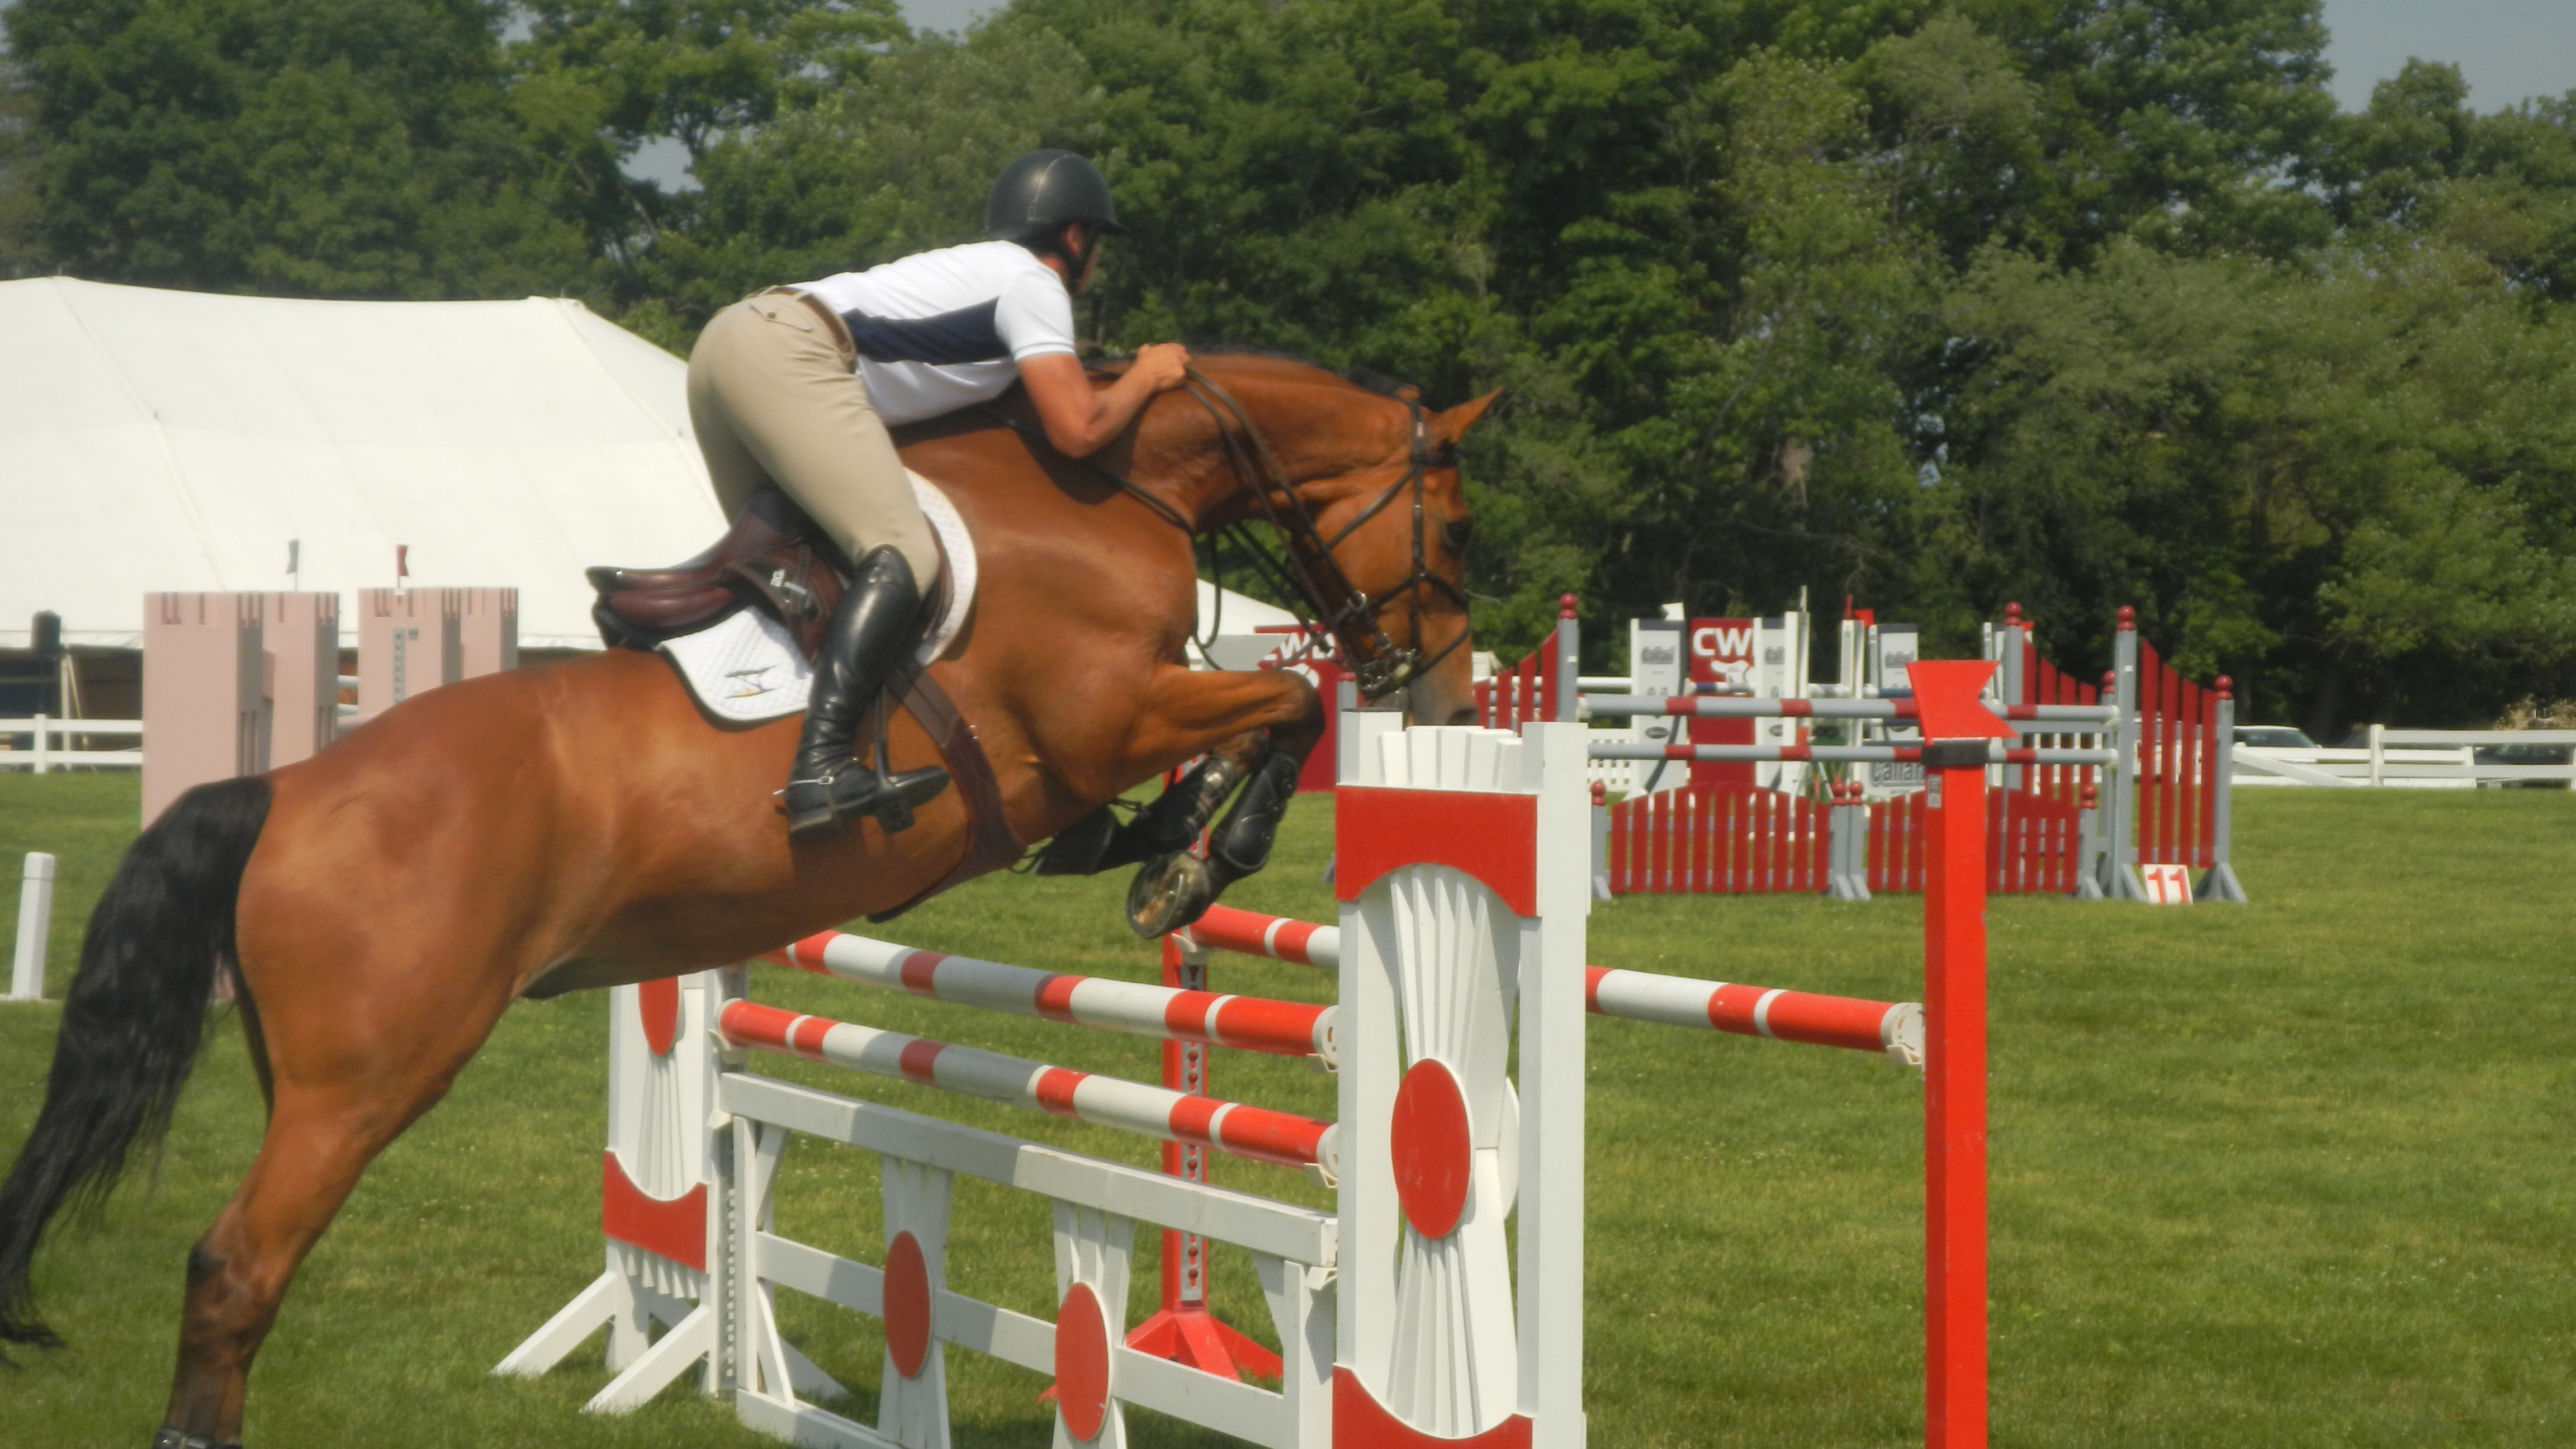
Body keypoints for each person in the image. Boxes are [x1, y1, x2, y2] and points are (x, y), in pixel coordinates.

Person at [687, 150, 1193, 841]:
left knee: (800, 569)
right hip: (791, 350)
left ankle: (737, 749)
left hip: (727, 344)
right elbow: (1077, 431)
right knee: (904, 553)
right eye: (1097, 243)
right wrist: (1148, 374)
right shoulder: (1034, 283)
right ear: (1077, 237)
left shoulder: (978, 274)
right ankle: (822, 767)